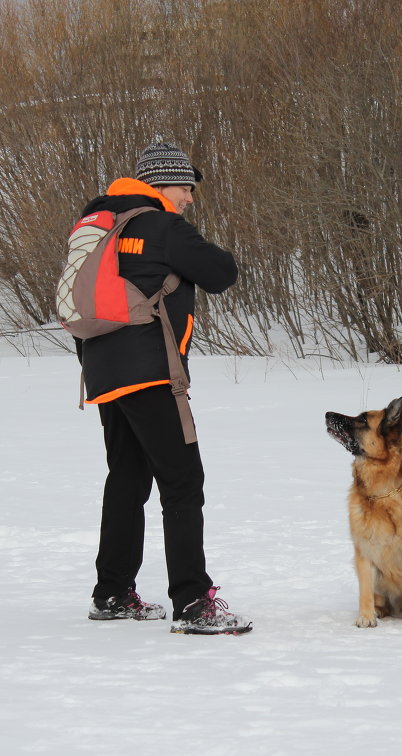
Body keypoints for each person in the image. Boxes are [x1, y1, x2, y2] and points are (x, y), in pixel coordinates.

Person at [75, 141, 251, 635]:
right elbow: (222, 273)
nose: (189, 199)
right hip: (152, 373)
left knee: (126, 480)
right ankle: (193, 601)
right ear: (160, 185)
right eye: (184, 189)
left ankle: (111, 592)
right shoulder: (159, 224)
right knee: (182, 482)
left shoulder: (100, 223)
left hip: (104, 372)